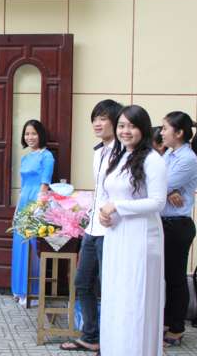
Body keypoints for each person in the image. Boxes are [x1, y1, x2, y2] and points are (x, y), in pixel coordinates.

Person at [99, 105, 167, 356]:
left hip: (141, 237)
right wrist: (105, 214)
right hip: (117, 235)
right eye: (121, 126)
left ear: (143, 129)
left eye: (132, 126)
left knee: (136, 298)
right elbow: (110, 195)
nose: (125, 131)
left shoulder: (153, 160)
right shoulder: (118, 157)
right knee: (116, 296)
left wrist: (118, 207)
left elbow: (158, 202)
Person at [61, 99, 122, 352]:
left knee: (109, 286)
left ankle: (113, 339)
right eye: (95, 118)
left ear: (116, 122)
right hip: (92, 228)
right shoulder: (99, 152)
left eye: (103, 118)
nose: (97, 123)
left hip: (112, 229)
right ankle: (91, 336)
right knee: (82, 282)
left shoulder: (124, 153)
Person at [160, 111, 197, 346]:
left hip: (177, 226)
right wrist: (169, 191)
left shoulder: (187, 159)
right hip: (166, 224)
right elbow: (158, 181)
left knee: (176, 278)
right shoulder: (169, 153)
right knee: (166, 277)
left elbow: (157, 184)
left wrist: (167, 189)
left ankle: (176, 328)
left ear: (178, 133)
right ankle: (167, 322)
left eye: (165, 128)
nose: (161, 132)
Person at [10, 119, 54, 303]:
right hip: (23, 203)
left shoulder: (47, 156)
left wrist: (38, 207)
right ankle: (19, 289)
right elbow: (23, 186)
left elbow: (45, 184)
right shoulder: (25, 158)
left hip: (37, 203)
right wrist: (17, 210)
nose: (30, 137)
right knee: (20, 245)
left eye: (33, 133)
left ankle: (32, 292)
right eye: (27, 134)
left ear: (40, 135)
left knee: (32, 247)